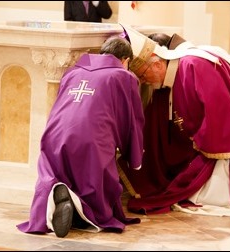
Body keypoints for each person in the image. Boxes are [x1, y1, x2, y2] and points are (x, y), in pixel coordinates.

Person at [118, 25, 230, 216]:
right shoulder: (168, 78)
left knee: (219, 197)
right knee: (195, 193)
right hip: (207, 149)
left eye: (143, 75)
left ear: (157, 64)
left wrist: (200, 146)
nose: (144, 81)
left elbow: (222, 118)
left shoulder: (195, 66)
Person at [17, 36, 145, 238]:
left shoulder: (72, 71)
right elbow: (131, 119)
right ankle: (79, 211)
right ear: (124, 60)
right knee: (95, 181)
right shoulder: (123, 77)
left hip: (54, 134)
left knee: (54, 171)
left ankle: (59, 198)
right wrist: (134, 155)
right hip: (93, 138)